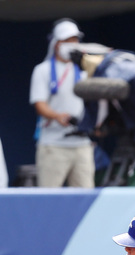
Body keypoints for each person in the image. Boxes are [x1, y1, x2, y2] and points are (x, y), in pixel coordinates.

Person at [29, 18, 95, 188]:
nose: (72, 44)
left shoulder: (85, 69)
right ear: (56, 43)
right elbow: (39, 104)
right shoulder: (42, 70)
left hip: (82, 146)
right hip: (53, 145)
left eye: (75, 40)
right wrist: (58, 116)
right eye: (67, 40)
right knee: (48, 200)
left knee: (86, 201)